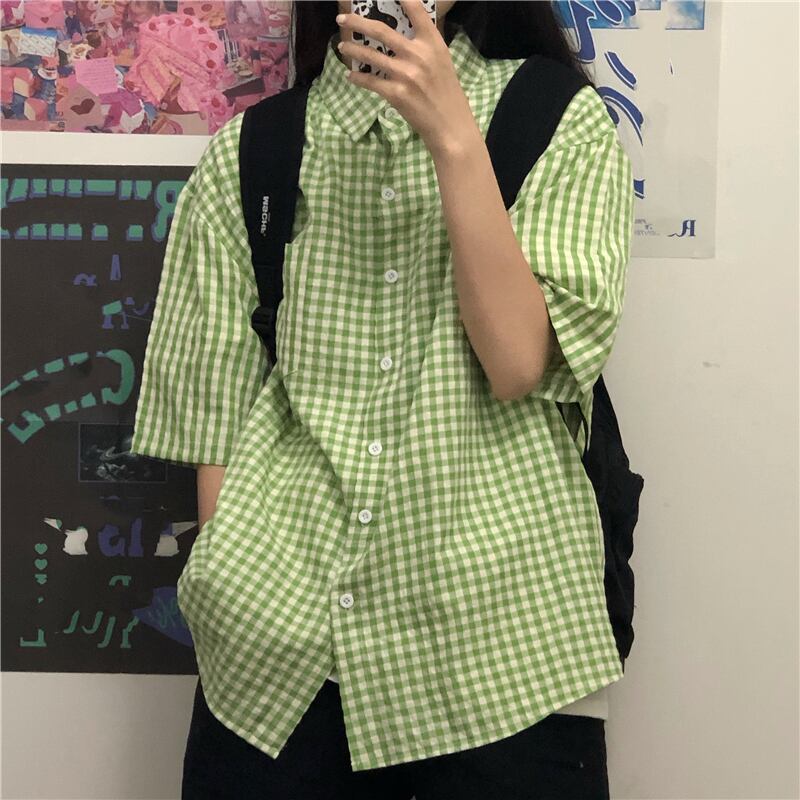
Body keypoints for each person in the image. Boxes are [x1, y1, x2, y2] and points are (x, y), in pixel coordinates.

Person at [130, 1, 635, 797]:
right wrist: (232, 602)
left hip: (501, 655)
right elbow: (213, 419)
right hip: (278, 663)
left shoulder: (555, 118)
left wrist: (454, 138)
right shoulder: (253, 151)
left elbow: (518, 363)